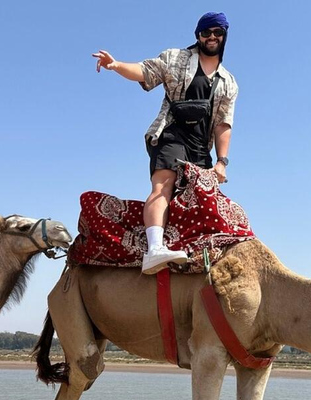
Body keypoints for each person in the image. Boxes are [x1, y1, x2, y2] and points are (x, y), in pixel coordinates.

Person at [92, 12, 238, 274]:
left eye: (217, 32)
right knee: (164, 184)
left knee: (206, 199)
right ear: (198, 36)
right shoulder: (176, 58)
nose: (212, 37)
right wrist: (117, 65)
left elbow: (223, 125)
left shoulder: (228, 82)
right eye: (206, 32)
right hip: (170, 133)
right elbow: (146, 71)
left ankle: (199, 253)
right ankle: (155, 248)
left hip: (200, 146)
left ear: (224, 35)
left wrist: (222, 162)